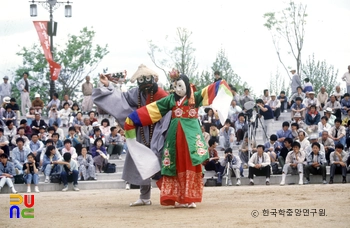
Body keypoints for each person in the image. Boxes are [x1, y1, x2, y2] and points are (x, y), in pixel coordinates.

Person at [123, 70, 232, 208]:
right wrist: (133, 118)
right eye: (175, 87)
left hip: (190, 138)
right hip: (174, 138)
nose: (178, 90)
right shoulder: (170, 100)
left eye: (180, 86)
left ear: (187, 85)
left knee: (190, 163)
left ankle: (190, 198)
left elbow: (209, 90)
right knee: (175, 165)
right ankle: (179, 198)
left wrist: (220, 84)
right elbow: (153, 110)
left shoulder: (195, 97)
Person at [93, 64, 170, 206]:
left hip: (159, 131)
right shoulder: (136, 93)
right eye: (141, 80)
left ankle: (170, 195)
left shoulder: (162, 95)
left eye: (147, 79)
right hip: (141, 131)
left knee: (163, 161)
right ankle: (144, 196)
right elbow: (120, 99)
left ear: (153, 79)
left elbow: (170, 111)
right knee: (141, 162)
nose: (145, 83)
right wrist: (108, 84)